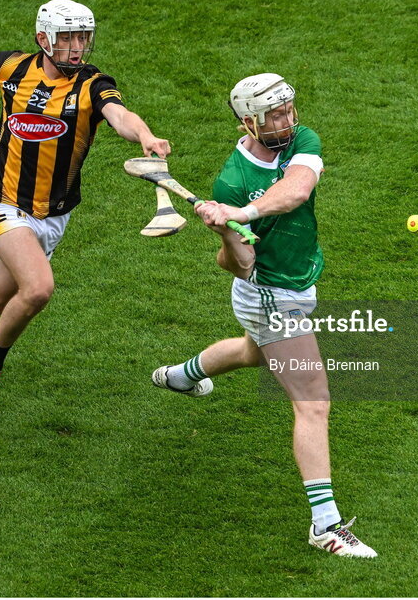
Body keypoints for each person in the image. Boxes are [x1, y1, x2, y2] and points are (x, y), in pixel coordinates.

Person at [0, 0, 171, 417]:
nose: (77, 48)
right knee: (38, 289)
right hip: (2, 202)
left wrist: (145, 135)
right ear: (43, 39)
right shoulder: (12, 68)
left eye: (83, 38)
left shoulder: (93, 84)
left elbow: (120, 114)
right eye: (68, 38)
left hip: (54, 215)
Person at [151, 73, 377, 558]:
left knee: (255, 353)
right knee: (313, 402)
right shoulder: (231, 179)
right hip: (269, 294)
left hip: (295, 285)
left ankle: (180, 376)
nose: (289, 120)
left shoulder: (302, 141)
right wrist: (226, 232)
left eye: (290, 109)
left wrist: (241, 215)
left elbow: (296, 191)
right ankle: (325, 525)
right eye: (276, 115)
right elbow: (235, 265)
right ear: (249, 121)